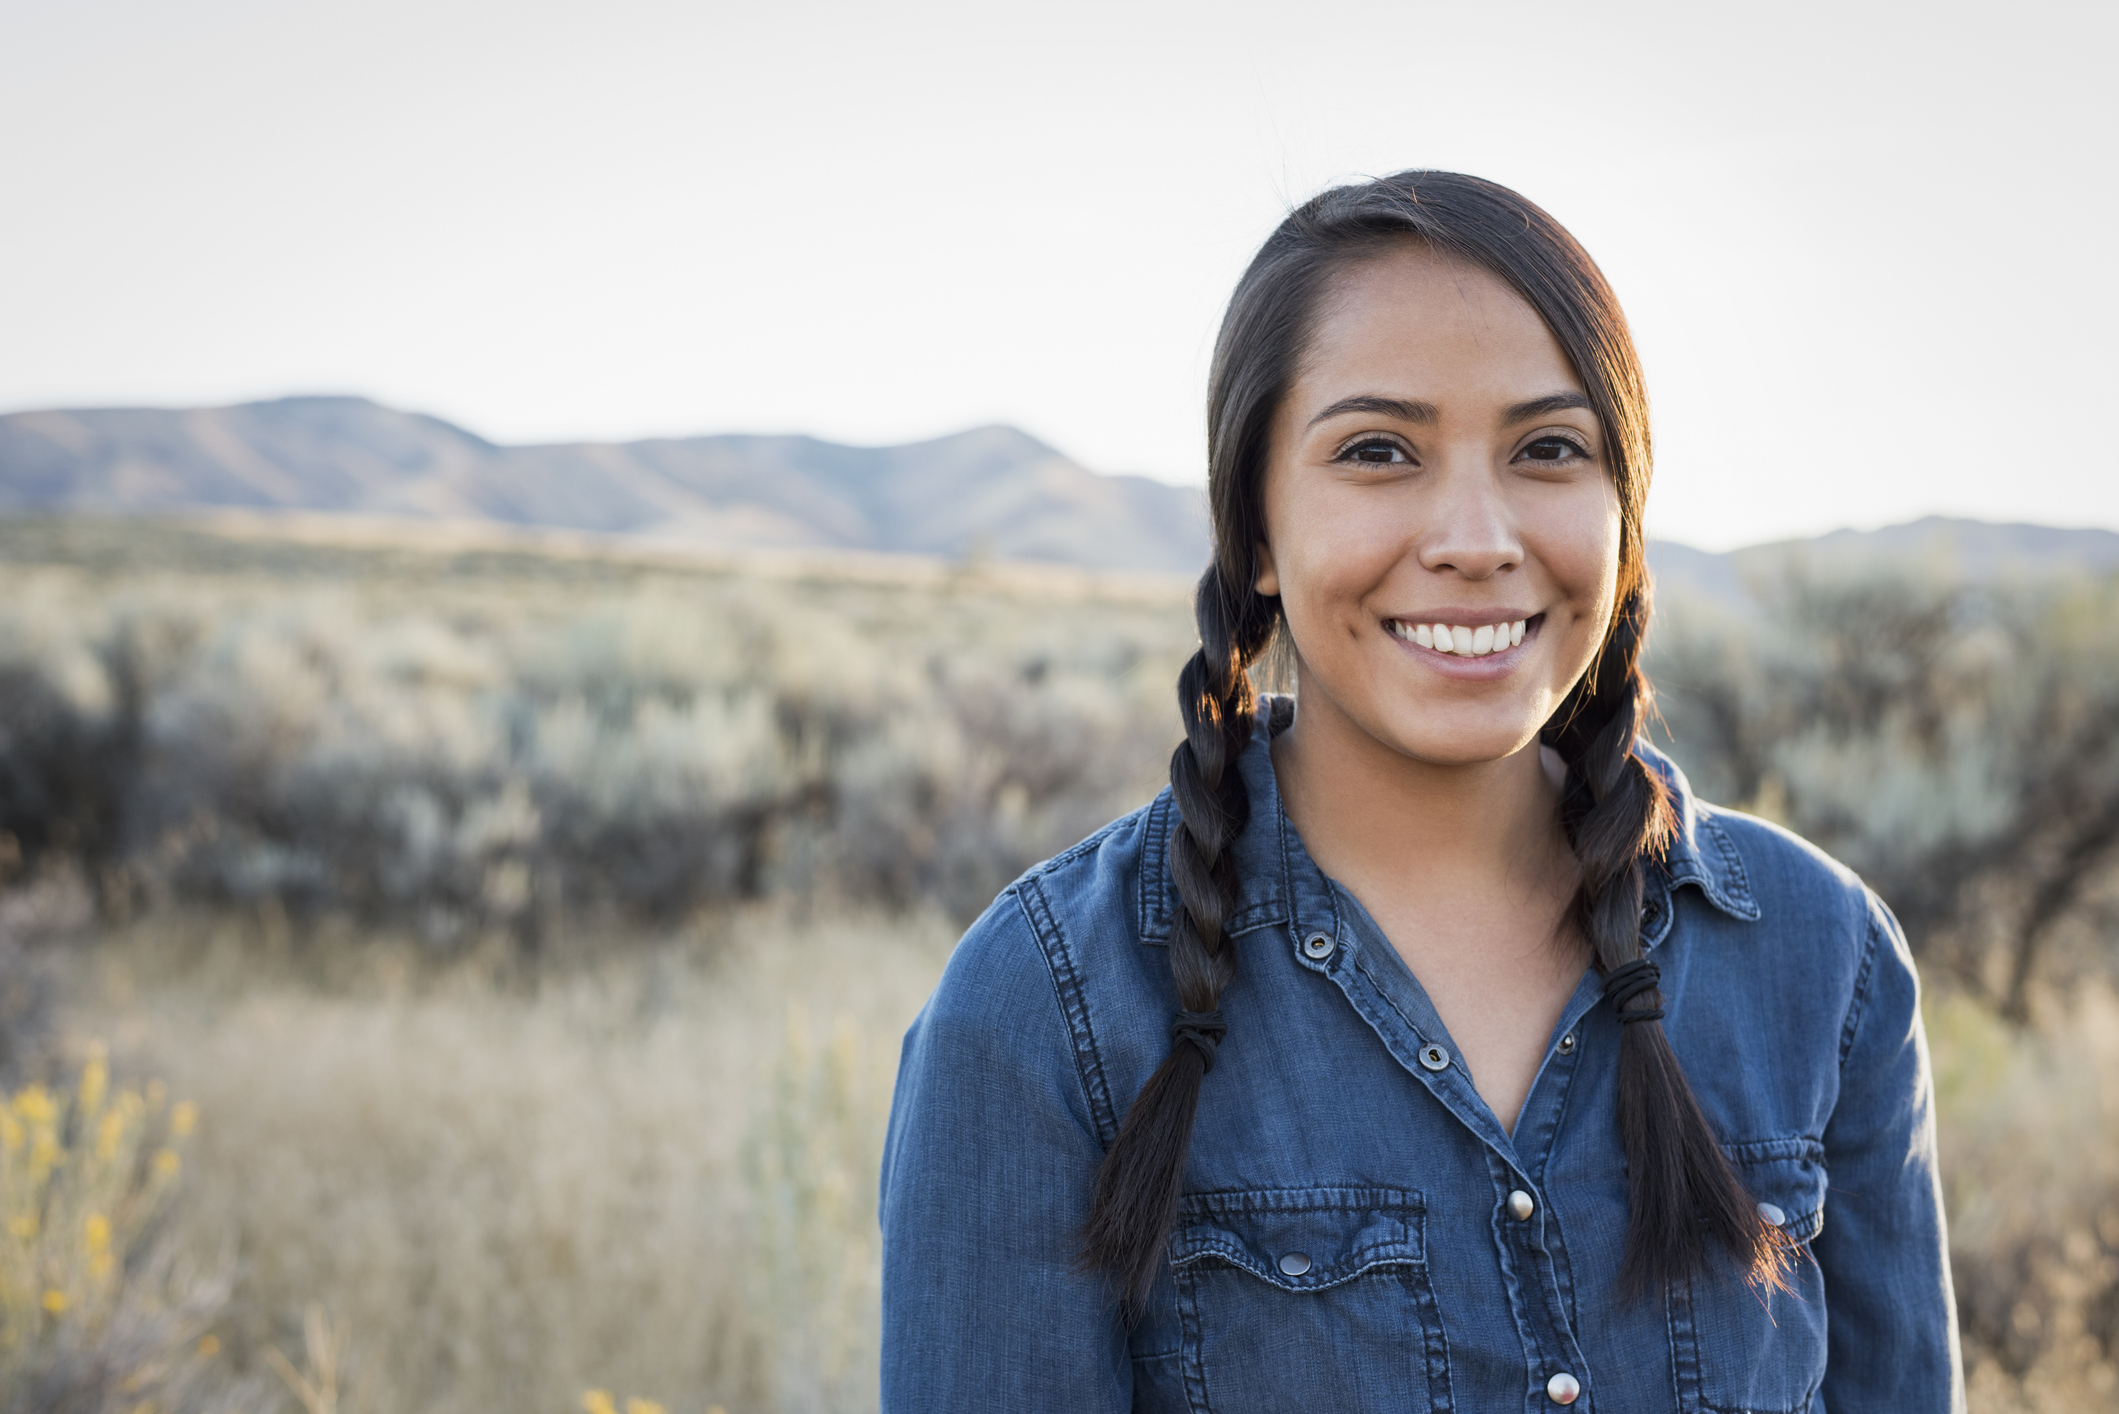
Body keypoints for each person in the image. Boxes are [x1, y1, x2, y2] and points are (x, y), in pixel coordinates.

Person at [878, 170, 1962, 1412]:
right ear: (1257, 532)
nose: (1474, 534)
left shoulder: (1822, 958)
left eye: (1548, 449)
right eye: (1378, 450)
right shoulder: (1043, 1008)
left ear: (1625, 511)